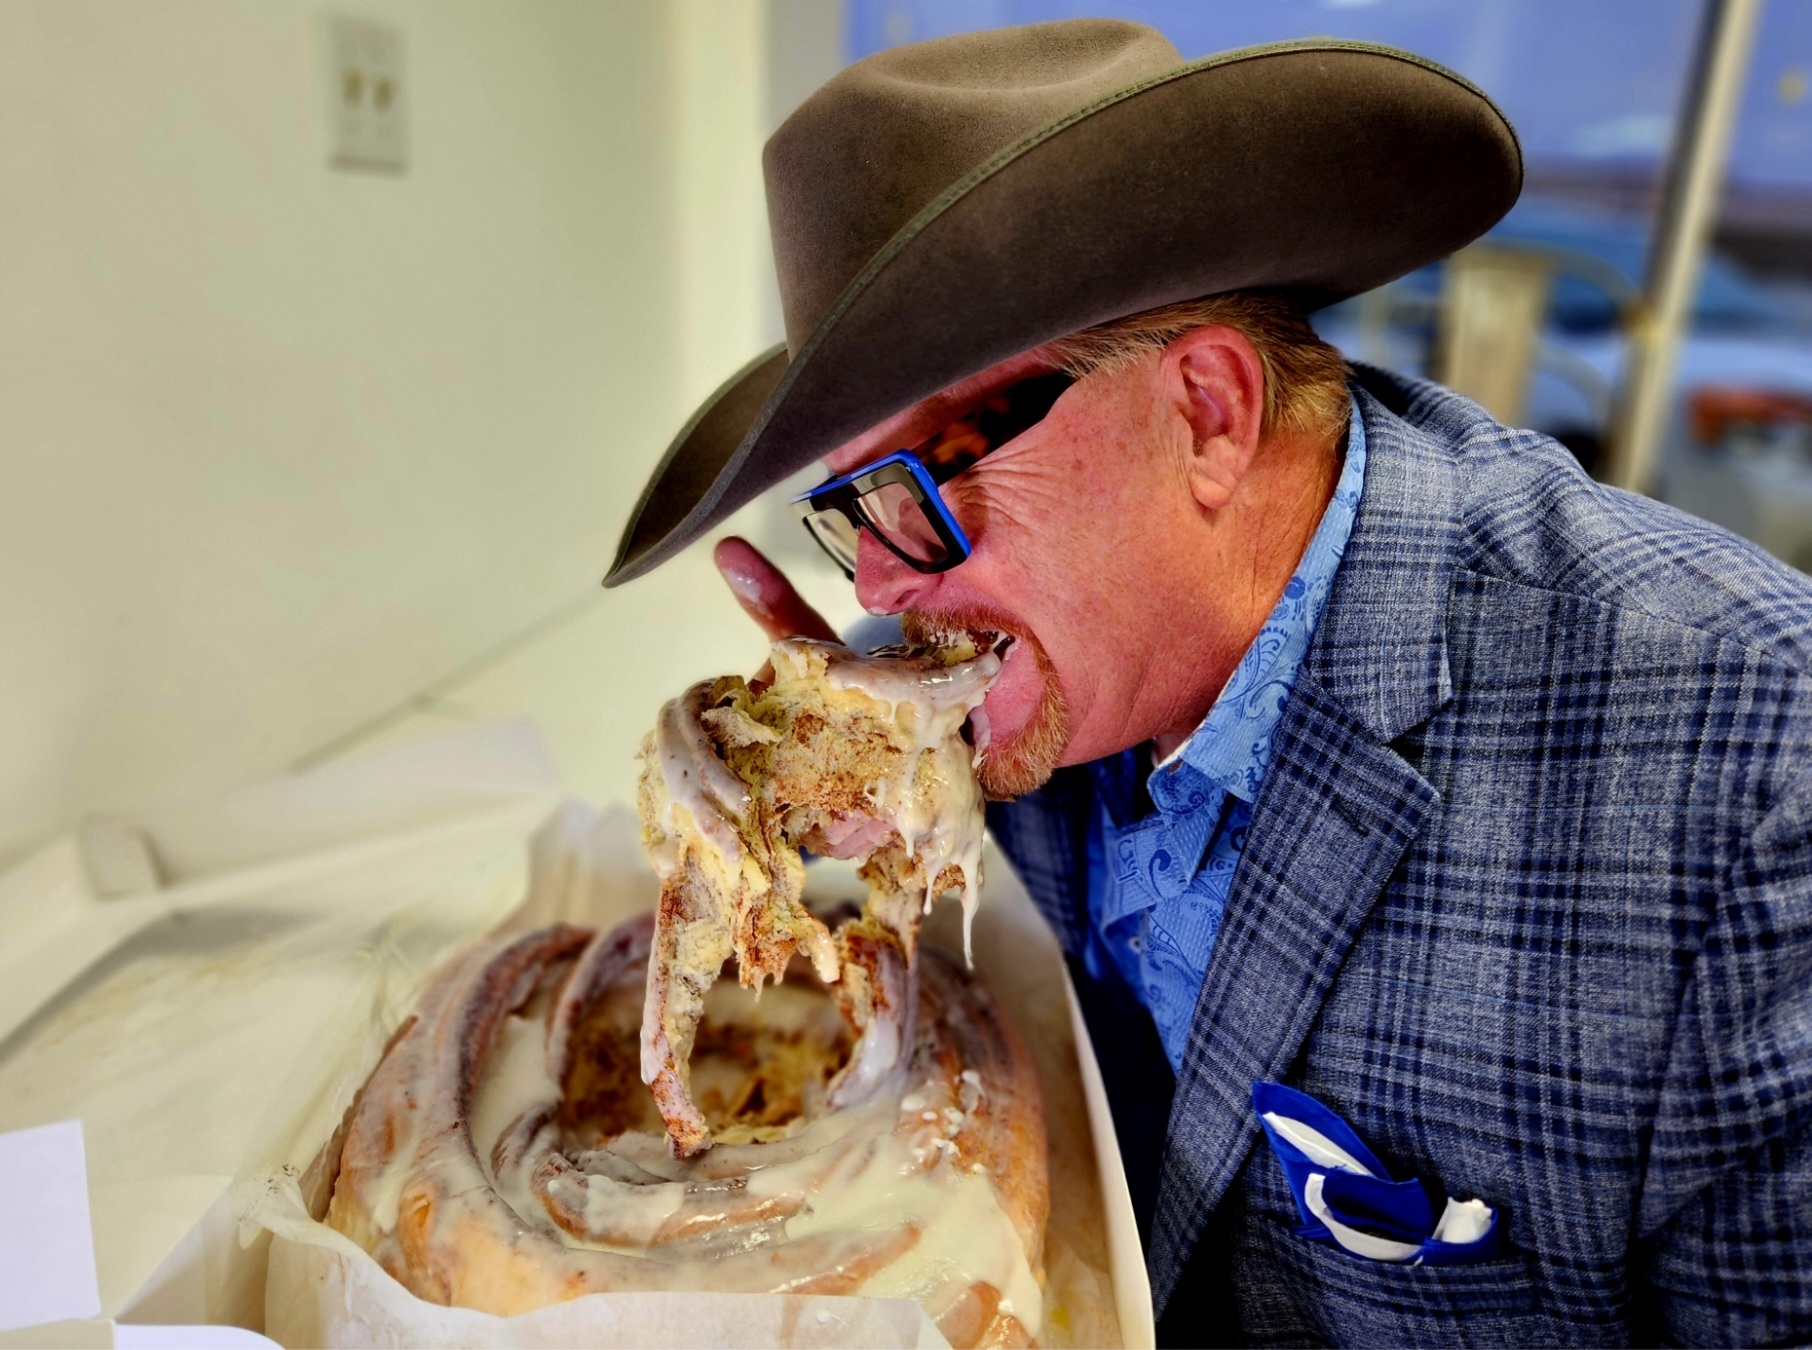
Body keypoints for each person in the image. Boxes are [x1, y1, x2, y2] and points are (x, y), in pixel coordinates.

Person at [605, 19, 1812, 1345]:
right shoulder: (1034, 663)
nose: (880, 591)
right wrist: (793, 821)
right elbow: (815, 1027)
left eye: (917, 485)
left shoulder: (1747, 769)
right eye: (849, 509)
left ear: (1209, 414)